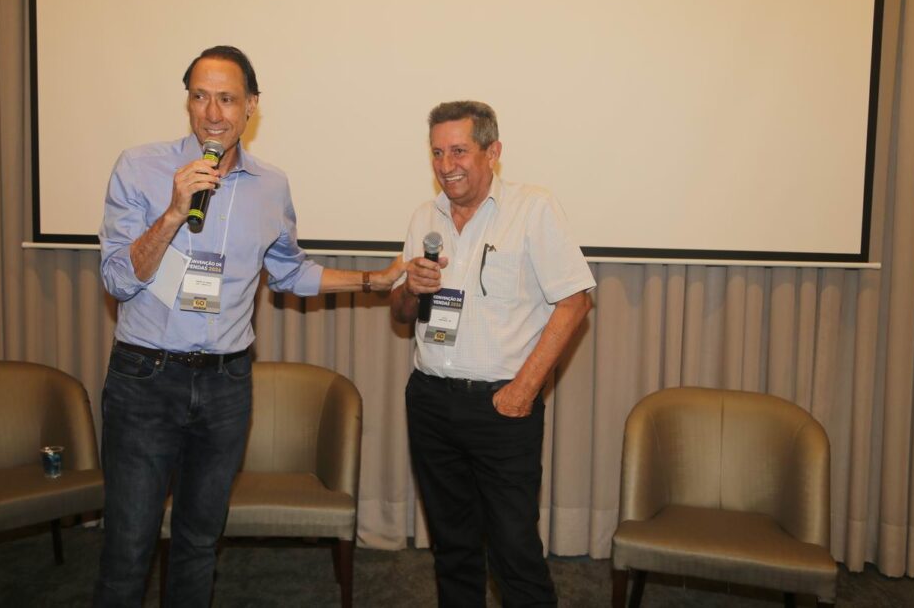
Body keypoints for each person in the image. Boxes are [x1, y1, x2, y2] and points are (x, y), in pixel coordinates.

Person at [96, 45, 402, 607]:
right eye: (200, 97)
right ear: (187, 102)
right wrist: (173, 212)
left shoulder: (271, 186)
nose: (213, 113)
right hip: (146, 379)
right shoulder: (139, 167)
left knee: (198, 543)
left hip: (226, 385)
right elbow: (117, 279)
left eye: (227, 99)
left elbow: (290, 272)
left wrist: (372, 281)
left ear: (251, 106)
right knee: (128, 546)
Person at [390, 101, 595, 607]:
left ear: (493, 152)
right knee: (451, 548)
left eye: (459, 151)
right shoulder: (424, 216)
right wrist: (411, 288)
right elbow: (402, 313)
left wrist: (523, 391)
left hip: (502, 407)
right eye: (437, 153)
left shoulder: (533, 209)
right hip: (431, 402)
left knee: (514, 553)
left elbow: (575, 302)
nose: (446, 165)